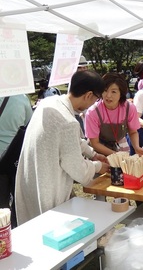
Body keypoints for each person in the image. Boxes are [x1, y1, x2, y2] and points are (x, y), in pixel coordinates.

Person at [15, 70, 110, 225]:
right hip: (48, 185)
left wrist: (92, 154)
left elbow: (70, 141)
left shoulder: (49, 103)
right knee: (50, 232)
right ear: (88, 95)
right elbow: (76, 168)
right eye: (95, 100)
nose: (92, 104)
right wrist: (99, 166)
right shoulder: (68, 122)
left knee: (32, 227)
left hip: (30, 178)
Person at [85, 73, 143, 156]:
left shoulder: (129, 108)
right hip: (97, 153)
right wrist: (116, 155)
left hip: (118, 147)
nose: (108, 95)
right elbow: (95, 143)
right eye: (105, 90)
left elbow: (133, 132)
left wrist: (136, 147)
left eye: (113, 92)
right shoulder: (93, 112)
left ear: (121, 93)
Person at [0, 94, 33, 228]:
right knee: (18, 201)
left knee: (1, 204)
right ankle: (16, 230)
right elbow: (29, 123)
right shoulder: (21, 98)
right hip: (14, 158)